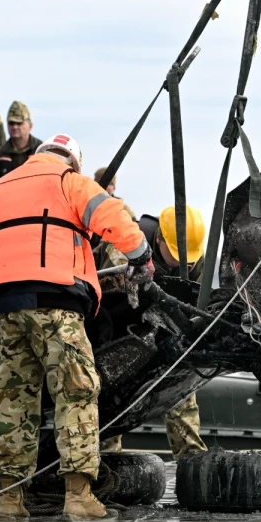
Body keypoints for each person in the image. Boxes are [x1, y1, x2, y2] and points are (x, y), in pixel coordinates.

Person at [0, 134, 153, 522]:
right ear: (73, 162)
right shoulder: (69, 182)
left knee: (11, 401)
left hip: (6, 309)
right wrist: (141, 255)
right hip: (57, 303)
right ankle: (78, 497)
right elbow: (111, 215)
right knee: (75, 392)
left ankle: (9, 501)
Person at [94, 191, 209, 459]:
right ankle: (108, 461)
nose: (182, 262)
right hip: (112, 328)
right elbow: (107, 296)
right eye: (176, 254)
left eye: (189, 257)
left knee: (180, 385)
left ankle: (190, 458)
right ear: (158, 239)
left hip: (159, 330)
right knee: (110, 401)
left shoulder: (194, 259)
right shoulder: (123, 246)